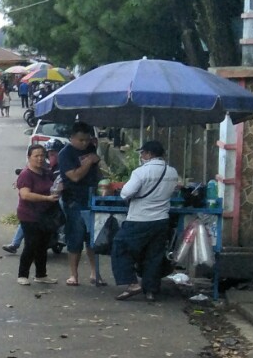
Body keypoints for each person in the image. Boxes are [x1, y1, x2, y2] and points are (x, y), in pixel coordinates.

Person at [112, 141, 181, 302]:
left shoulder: (140, 172)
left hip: (139, 219)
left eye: (142, 153)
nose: (141, 156)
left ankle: (131, 283)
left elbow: (126, 193)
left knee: (120, 246)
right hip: (161, 220)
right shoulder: (171, 172)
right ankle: (150, 290)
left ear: (149, 154)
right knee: (154, 255)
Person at [57, 122, 104, 286]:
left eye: (87, 140)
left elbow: (98, 171)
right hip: (74, 200)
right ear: (72, 138)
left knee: (92, 237)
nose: (84, 143)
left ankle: (95, 273)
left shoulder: (91, 148)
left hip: (92, 198)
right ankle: (74, 275)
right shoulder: (65, 154)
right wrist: (88, 162)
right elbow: (74, 176)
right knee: (75, 236)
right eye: (81, 140)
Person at [15, 144, 61, 285]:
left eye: (42, 155)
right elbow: (25, 195)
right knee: (31, 244)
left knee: (43, 245)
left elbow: (53, 186)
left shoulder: (46, 172)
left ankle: (41, 274)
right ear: (29, 157)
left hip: (45, 215)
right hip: (29, 215)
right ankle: (22, 274)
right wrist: (46, 198)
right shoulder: (26, 175)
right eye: (36, 156)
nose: (40, 159)